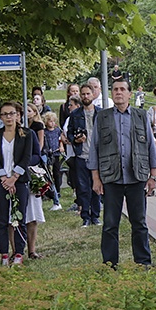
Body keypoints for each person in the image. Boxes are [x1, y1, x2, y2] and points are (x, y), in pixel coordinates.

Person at [88, 79, 156, 268]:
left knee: (139, 222)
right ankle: (110, 263)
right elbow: (94, 148)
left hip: (137, 177)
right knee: (110, 223)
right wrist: (96, 178)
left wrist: (153, 176)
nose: (118, 92)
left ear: (129, 94)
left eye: (122, 89)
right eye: (115, 90)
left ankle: (143, 262)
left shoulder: (141, 116)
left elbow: (151, 146)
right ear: (111, 94)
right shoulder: (102, 117)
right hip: (111, 178)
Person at [0, 101, 34, 266]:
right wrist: (4, 179)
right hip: (1, 181)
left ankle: (19, 253)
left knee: (18, 217)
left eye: (11, 113)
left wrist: (14, 177)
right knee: (1, 219)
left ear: (17, 115)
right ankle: (4, 254)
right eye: (5, 114)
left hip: (19, 181)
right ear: (0, 117)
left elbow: (26, 157)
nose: (8, 117)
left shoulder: (26, 134)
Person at [67, 83, 102, 226]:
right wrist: (75, 139)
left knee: (97, 187)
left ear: (93, 94)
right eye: (83, 94)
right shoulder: (75, 114)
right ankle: (85, 217)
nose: (85, 96)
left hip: (97, 156)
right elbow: (69, 133)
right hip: (81, 155)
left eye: (88, 94)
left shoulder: (101, 113)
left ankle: (95, 216)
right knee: (83, 188)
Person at [25, 103, 46, 259]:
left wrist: (23, 164)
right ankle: (16, 251)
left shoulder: (33, 129)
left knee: (31, 214)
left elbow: (37, 152)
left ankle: (31, 250)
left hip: (29, 173)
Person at [42, 112, 63, 211]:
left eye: (54, 121)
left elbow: (60, 139)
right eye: (50, 121)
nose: (52, 123)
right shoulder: (45, 132)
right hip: (49, 154)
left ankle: (58, 190)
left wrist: (61, 146)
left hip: (56, 153)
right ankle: (50, 191)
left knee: (57, 173)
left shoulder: (57, 130)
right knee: (49, 173)